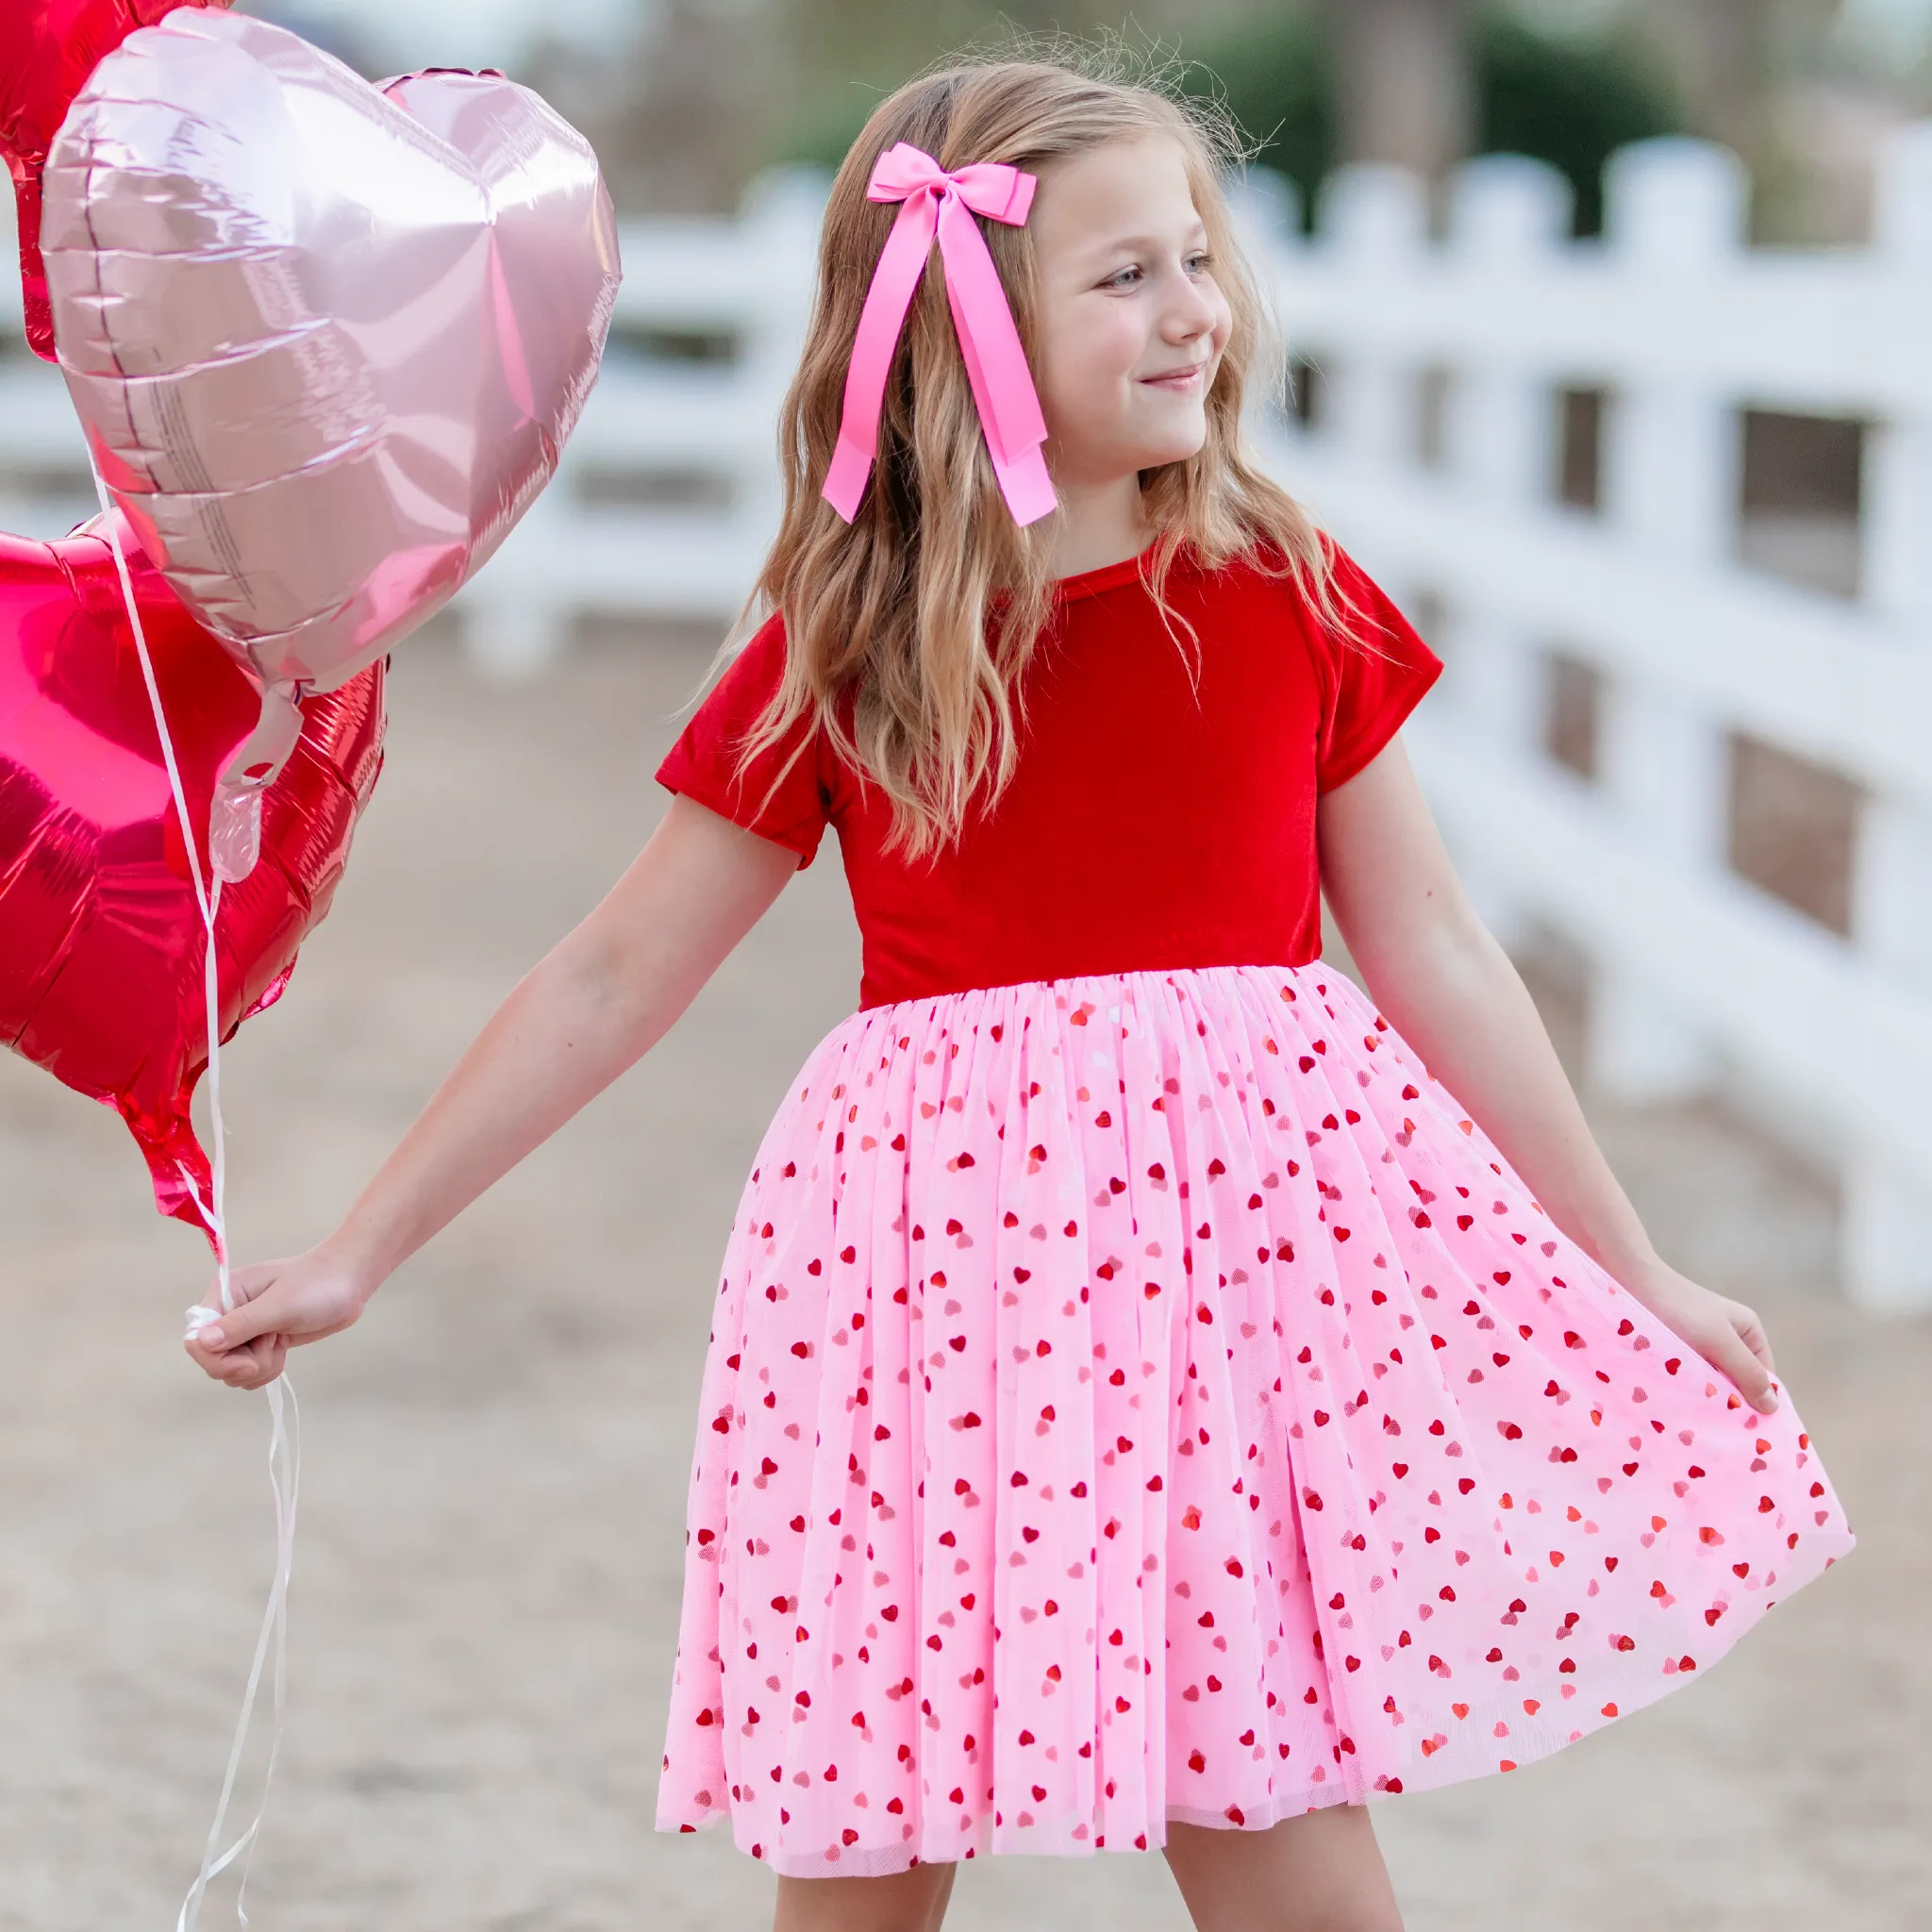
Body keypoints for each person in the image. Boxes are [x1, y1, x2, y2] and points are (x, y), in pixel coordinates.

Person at [185, 50, 1852, 1932]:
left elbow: (1436, 948)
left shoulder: (1285, 587)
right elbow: (615, 970)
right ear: (964, 322)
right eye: (1126, 273)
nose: (1195, 311)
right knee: (877, 1824)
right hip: (930, 1268)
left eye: (1198, 258)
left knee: (1260, 1788)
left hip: (1228, 1283)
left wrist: (1625, 1262)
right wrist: (360, 1249)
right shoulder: (858, 642)